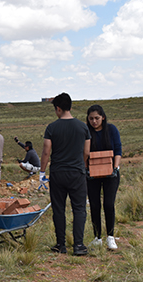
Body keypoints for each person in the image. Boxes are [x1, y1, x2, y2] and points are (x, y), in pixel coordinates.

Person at [40, 92, 90, 256]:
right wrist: (80, 165)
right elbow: (87, 151)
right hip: (77, 173)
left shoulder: (52, 127)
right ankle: (79, 245)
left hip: (58, 173)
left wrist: (42, 171)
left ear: (58, 109)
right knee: (79, 209)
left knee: (59, 209)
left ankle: (60, 245)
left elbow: (46, 152)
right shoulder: (83, 127)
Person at [86, 105, 122, 250]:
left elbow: (118, 149)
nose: (94, 121)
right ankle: (97, 238)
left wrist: (115, 168)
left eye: (97, 118)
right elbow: (84, 153)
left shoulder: (111, 129)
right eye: (91, 119)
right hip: (92, 175)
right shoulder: (86, 132)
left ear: (103, 117)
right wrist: (86, 169)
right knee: (94, 205)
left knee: (108, 204)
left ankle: (110, 237)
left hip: (111, 174)